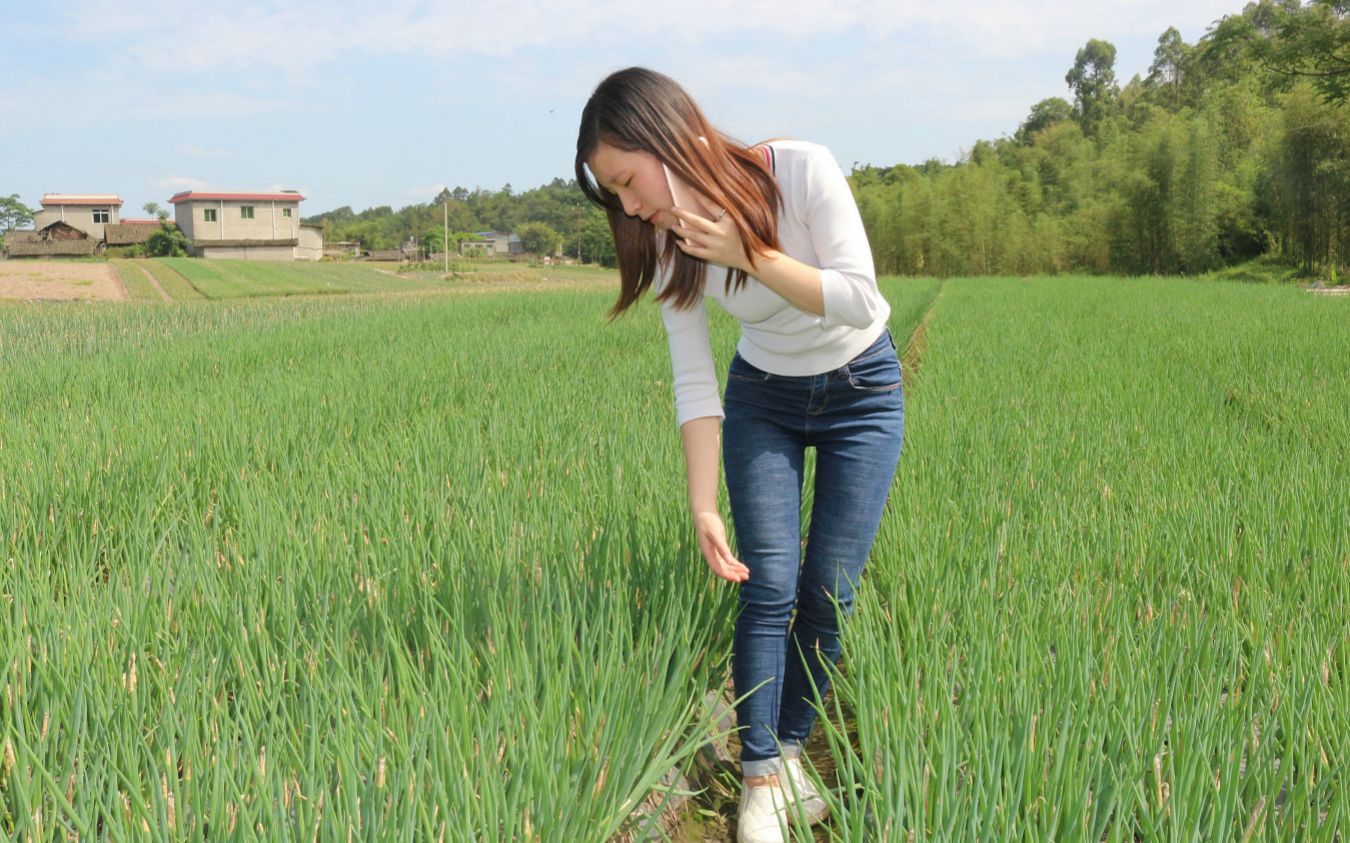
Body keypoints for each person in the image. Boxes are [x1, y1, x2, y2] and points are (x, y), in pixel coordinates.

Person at [575, 67, 903, 843]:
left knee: (827, 590)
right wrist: (701, 503)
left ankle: (790, 754)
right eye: (611, 194)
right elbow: (694, 381)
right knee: (769, 585)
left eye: (626, 180)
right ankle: (760, 780)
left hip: (864, 392)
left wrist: (749, 252)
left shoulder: (799, 170)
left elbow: (862, 299)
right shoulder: (664, 242)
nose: (628, 205)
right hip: (766, 399)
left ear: (666, 137)